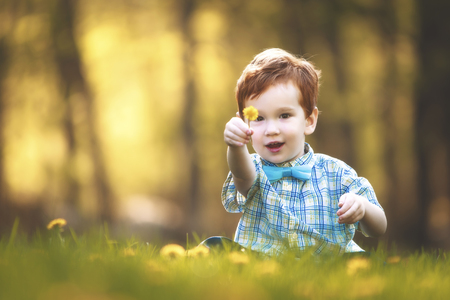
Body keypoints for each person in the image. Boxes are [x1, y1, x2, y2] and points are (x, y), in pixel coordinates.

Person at [222, 48, 387, 256]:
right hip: (265, 263)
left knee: (364, 260)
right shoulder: (252, 170)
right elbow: (240, 174)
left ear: (309, 121)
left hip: (330, 262)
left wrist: (362, 207)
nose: (272, 129)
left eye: (284, 115)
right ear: (244, 122)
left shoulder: (337, 173)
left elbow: (379, 228)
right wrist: (235, 145)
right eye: (259, 118)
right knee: (216, 246)